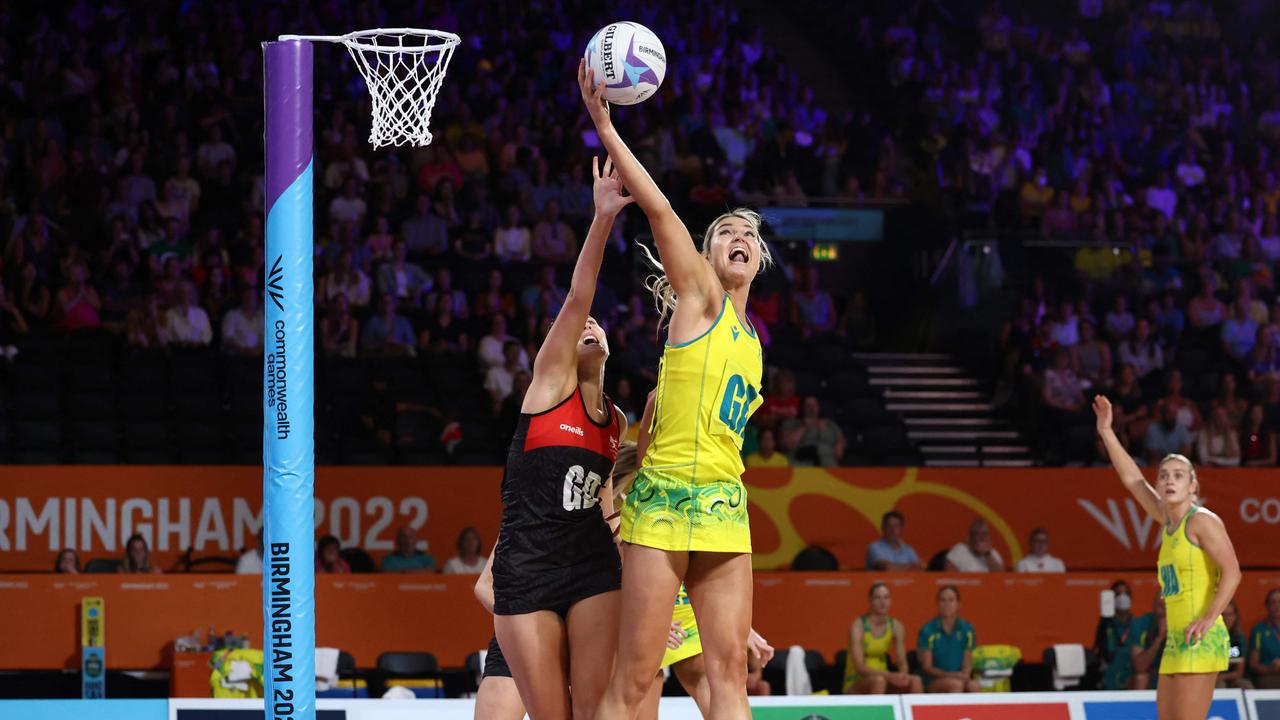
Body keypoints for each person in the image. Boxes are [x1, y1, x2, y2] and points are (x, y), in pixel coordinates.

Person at [581, 59, 772, 719]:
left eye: (749, 234)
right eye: (726, 233)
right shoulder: (699, 297)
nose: (740, 237)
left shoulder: (752, 343)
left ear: (761, 259)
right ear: (705, 255)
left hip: (724, 503)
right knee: (634, 683)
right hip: (661, 504)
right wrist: (606, 127)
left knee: (729, 678)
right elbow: (659, 207)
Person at [491, 155, 630, 720]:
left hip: (593, 565)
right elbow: (578, 297)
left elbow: (625, 509)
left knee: (597, 712)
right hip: (526, 569)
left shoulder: (621, 426)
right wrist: (602, 218)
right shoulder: (549, 386)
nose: (589, 327)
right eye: (581, 329)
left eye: (600, 327)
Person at [1094, 395, 1242, 720]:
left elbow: (1233, 572)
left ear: (1193, 486)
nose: (1169, 480)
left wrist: (1208, 617)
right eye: (1164, 475)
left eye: (1178, 475)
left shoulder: (1202, 520)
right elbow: (1133, 480)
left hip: (1200, 636)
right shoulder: (1167, 522)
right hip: (1176, 638)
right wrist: (1107, 431)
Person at [844, 582, 923, 694]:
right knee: (878, 681)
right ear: (870, 600)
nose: (882, 602)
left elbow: (902, 662)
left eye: (886, 597)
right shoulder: (858, 625)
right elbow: (860, 667)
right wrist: (889, 675)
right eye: (878, 598)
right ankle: (876, 712)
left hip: (885, 678)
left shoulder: (896, 626)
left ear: (891, 600)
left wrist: (903, 674)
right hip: (856, 682)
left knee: (916, 681)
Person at [917, 585, 981, 693]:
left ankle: (976, 711)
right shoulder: (928, 630)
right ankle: (955, 711)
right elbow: (927, 667)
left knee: (974, 685)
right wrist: (953, 675)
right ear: (938, 603)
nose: (947, 604)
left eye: (951, 600)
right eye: (943, 600)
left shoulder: (967, 629)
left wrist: (964, 675)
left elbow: (967, 662)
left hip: (959, 677)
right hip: (933, 680)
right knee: (956, 685)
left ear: (958, 604)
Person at [1095, 580, 1145, 689]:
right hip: (1112, 673)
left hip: (1131, 672)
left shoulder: (1137, 623)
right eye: (1118, 594)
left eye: (1126, 593)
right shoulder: (1106, 623)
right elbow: (1103, 652)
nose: (1123, 597)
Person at [780, 396, 846, 467]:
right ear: (802, 408)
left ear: (818, 407)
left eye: (814, 405)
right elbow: (787, 445)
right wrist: (804, 426)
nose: (811, 408)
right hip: (800, 463)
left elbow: (841, 439)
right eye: (808, 405)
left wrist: (840, 445)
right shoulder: (791, 423)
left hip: (827, 463)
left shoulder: (830, 424)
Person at [1249, 588, 1280, 689]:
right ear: (1267, 606)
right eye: (1273, 602)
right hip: (1268, 677)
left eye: (1279, 602)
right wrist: (1270, 669)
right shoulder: (1259, 630)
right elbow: (1253, 665)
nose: (1277, 606)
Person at [1218, 601, 1253, 689]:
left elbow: (1239, 672)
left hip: (1230, 678)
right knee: (1220, 685)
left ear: (1235, 617)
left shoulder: (1238, 637)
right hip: (1211, 678)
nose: (1226, 619)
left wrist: (1221, 677)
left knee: (1246, 686)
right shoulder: (1208, 638)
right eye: (1222, 615)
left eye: (1230, 615)